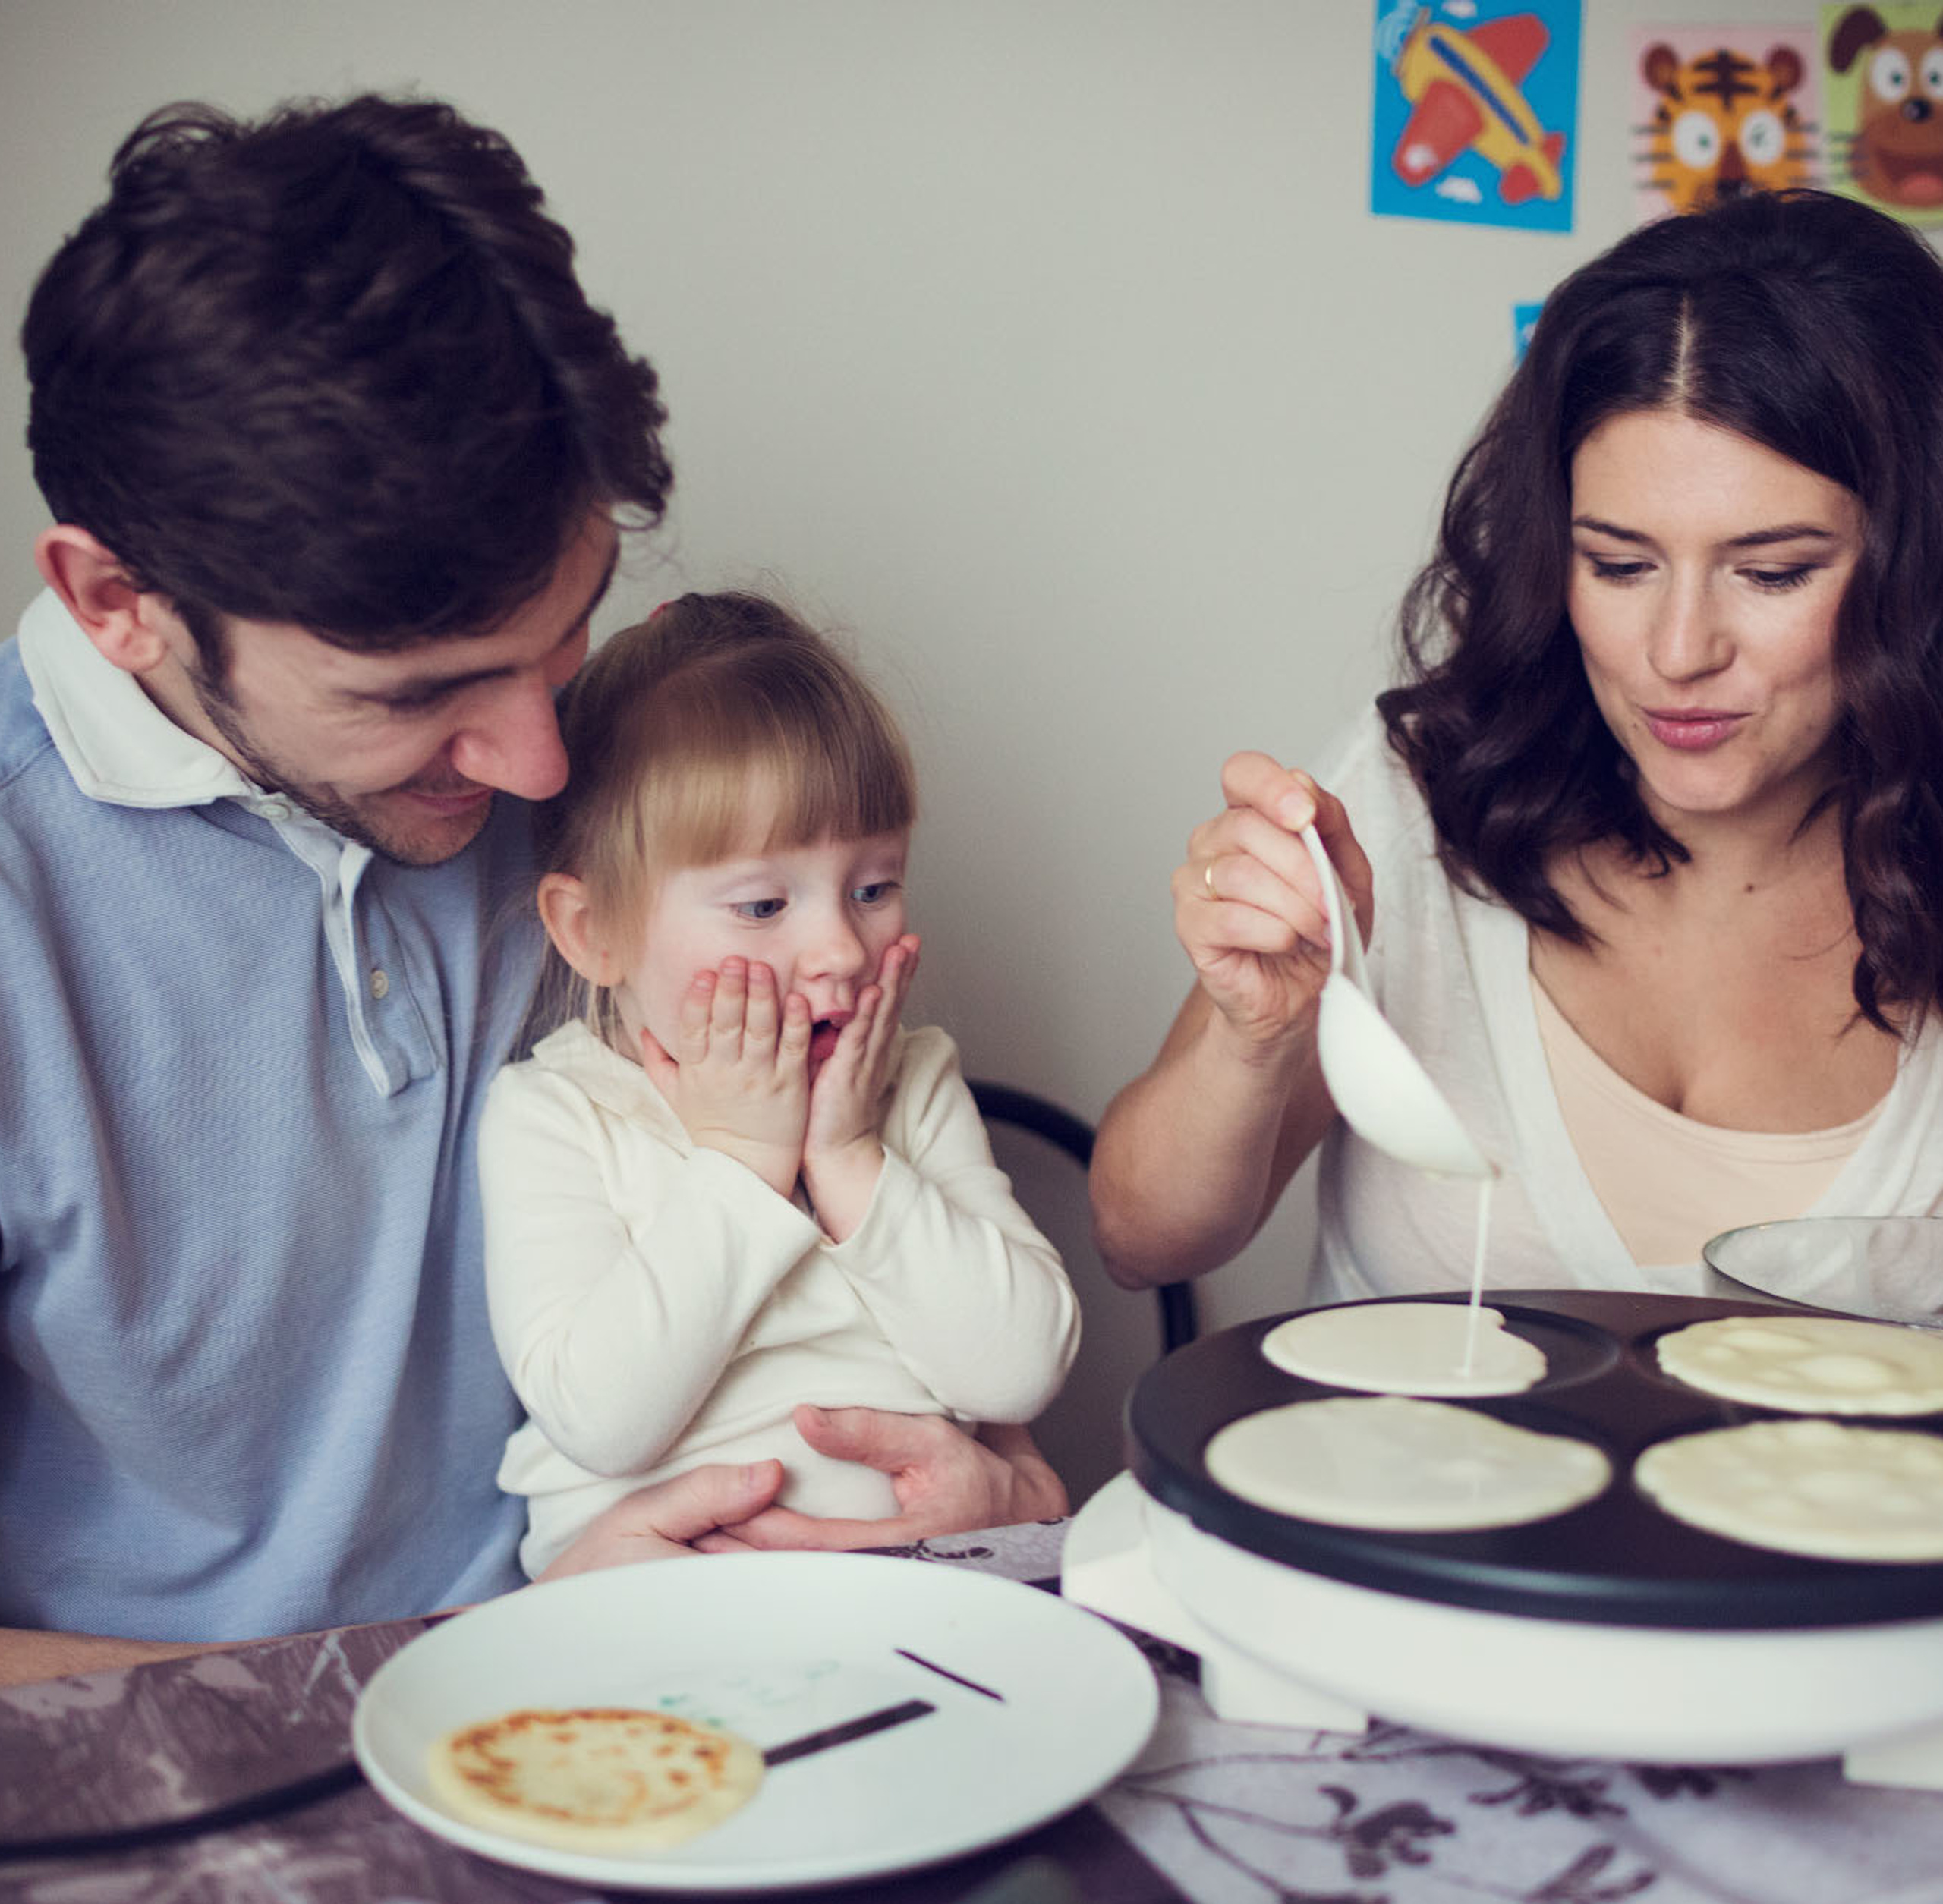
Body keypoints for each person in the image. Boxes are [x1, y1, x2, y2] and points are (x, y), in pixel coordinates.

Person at [0, 93, 1061, 1688]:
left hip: (690, 1682)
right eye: (417, 691)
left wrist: (1004, 1497)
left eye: (558, 640)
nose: (536, 764)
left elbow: (919, 1334)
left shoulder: (631, 801)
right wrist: (464, 1659)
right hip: (204, 1769)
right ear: (115, 603)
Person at [1091, 188, 1943, 1307]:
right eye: (1620, 565)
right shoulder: (1422, 798)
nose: (1677, 652)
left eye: (1772, 572)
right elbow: (1142, 1241)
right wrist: (1257, 1037)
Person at [480, 593, 1082, 1575]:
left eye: (875, 887)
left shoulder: (907, 1079)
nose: (841, 948)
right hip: (665, 1610)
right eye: (763, 904)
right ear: (596, 934)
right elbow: (602, 1421)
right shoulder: (560, 1115)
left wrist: (846, 1157)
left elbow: (1016, 1373)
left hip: (930, 1593)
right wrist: (744, 1161)